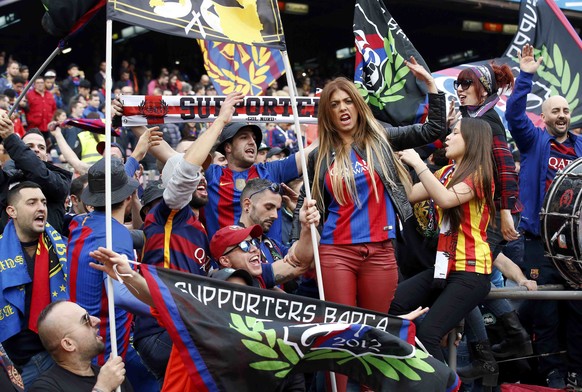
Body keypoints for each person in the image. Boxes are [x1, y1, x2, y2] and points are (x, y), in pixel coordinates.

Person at [304, 58, 445, 392]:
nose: (342, 108)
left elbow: (432, 131)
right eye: (334, 104)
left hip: (381, 254)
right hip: (336, 252)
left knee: (375, 338)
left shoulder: (381, 139)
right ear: (327, 113)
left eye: (348, 100)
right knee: (339, 335)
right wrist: (303, 213)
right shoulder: (317, 156)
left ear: (357, 104)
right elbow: (307, 203)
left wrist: (432, 89)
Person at [134, 92, 243, 385]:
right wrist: (220, 121)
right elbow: (183, 172)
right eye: (197, 176)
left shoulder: (197, 227)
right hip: (162, 330)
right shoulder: (166, 214)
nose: (202, 179)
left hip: (182, 325)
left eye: (205, 176)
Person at [392, 118, 495, 379]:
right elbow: (410, 194)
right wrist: (394, 162)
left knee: (428, 335)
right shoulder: (446, 172)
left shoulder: (481, 172)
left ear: (471, 140)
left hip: (471, 271)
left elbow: (446, 199)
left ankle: (448, 386)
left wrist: (419, 163)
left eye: (455, 133)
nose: (448, 138)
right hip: (443, 268)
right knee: (392, 304)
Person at [505, 43, 582, 389]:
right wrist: (526, 76)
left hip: (576, 247)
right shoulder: (533, 140)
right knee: (547, 313)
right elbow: (514, 116)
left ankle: (577, 369)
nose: (562, 115)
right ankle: (551, 371)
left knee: (578, 312)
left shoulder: (581, 148)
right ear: (546, 117)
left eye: (566, 110)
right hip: (540, 242)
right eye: (555, 111)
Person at [66, 157, 157, 392]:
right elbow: (123, 295)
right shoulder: (116, 237)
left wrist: (135, 156)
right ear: (128, 198)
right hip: (105, 348)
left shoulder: (79, 221)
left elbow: (109, 188)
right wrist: (168, 308)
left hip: (77, 335)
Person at [0, 182, 69, 387]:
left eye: (44, 202)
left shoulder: (63, 249)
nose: (41, 208)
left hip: (62, 353)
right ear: (12, 211)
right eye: (32, 202)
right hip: (19, 363)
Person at [29, 301, 133, 392]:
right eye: (85, 319)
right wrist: (102, 388)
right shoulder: (46, 387)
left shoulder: (111, 376)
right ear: (68, 344)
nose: (96, 320)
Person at [0, 115, 72, 234]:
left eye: (41, 147)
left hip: (46, 250)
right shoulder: (7, 178)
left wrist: (10, 138)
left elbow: (38, 173)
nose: (36, 150)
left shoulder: (60, 178)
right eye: (29, 147)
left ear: (46, 154)